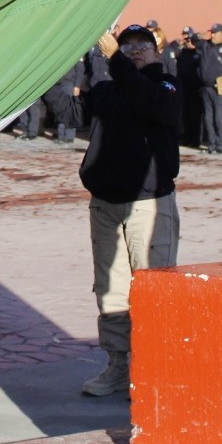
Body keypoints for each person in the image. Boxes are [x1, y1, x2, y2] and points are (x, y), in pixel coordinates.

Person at [78, 24, 181, 396]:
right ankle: (118, 365)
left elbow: (150, 104)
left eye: (143, 46)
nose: (135, 51)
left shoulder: (166, 85)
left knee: (152, 287)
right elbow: (74, 112)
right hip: (105, 202)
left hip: (149, 204)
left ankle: (155, 368)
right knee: (111, 289)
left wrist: (116, 60)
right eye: (128, 45)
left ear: (157, 54)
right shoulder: (107, 89)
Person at [196, 24, 222, 153]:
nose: (212, 35)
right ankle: (212, 144)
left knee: (220, 118)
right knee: (208, 117)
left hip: (221, 88)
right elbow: (195, 41)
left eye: (216, 33)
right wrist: (200, 36)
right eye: (212, 32)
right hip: (207, 87)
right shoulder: (206, 46)